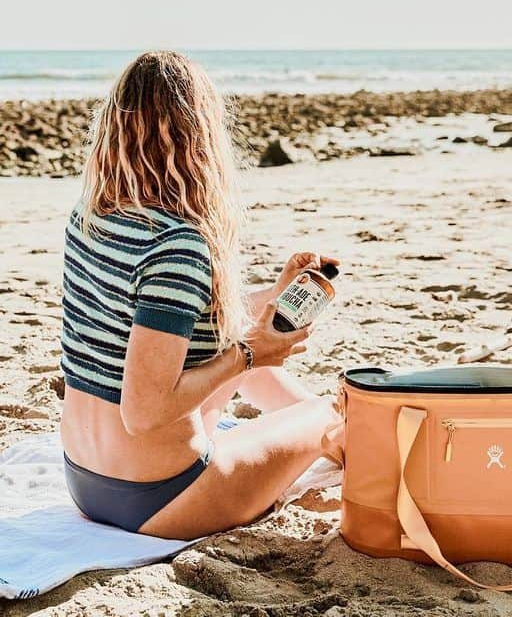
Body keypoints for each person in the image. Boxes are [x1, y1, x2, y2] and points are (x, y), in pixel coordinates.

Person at [59, 50, 340, 540]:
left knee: (235, 350)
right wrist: (251, 355)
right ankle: (341, 439)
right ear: (201, 136)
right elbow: (143, 413)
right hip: (166, 497)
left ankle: (323, 436)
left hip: (86, 484)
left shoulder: (90, 218)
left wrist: (272, 296)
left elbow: (163, 326)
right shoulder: (179, 245)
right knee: (330, 412)